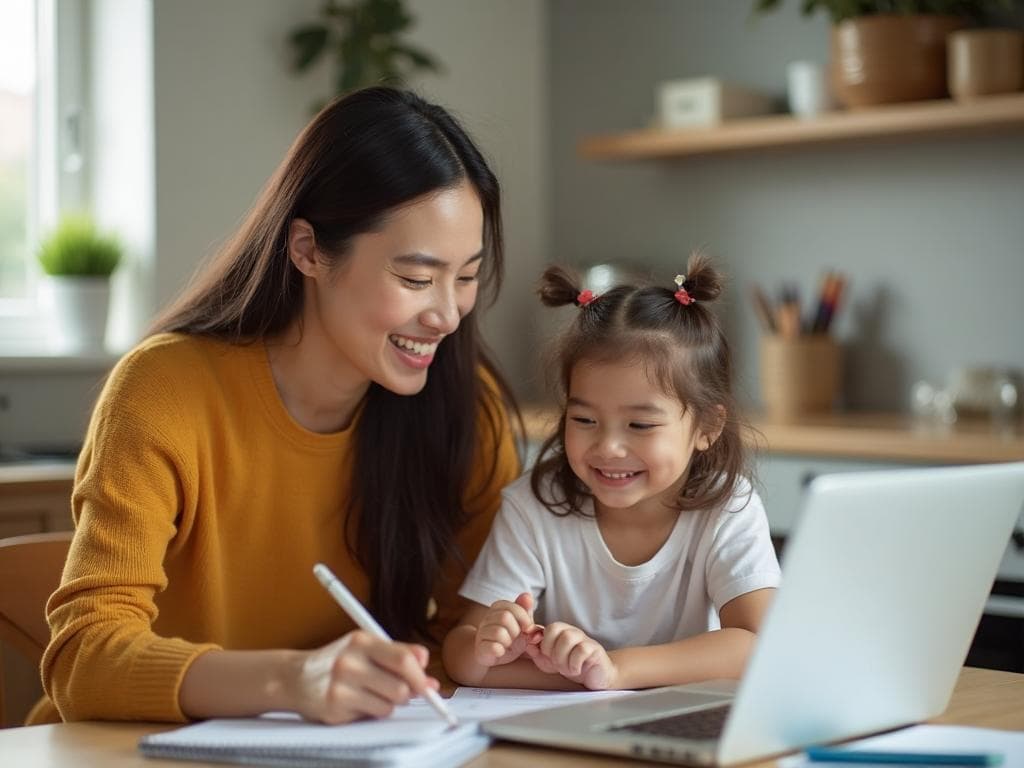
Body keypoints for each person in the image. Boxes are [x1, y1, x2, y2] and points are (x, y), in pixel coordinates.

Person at [31, 86, 521, 725]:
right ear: (309, 251)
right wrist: (297, 679)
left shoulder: (465, 408)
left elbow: (465, 644)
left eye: (466, 277)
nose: (448, 314)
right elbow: (85, 660)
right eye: (417, 279)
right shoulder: (165, 392)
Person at [443, 252, 780, 691]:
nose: (608, 447)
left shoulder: (728, 507)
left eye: (640, 425)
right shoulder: (534, 507)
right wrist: (488, 648)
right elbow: (459, 656)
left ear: (707, 427)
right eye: (584, 420)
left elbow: (760, 645)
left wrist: (616, 669)